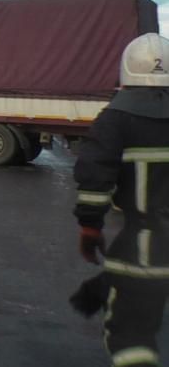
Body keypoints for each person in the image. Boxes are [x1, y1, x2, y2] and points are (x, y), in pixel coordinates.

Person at [74, 32, 169, 367]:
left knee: (131, 337)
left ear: (125, 72)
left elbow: (94, 178)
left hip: (147, 249)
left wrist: (90, 228)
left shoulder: (115, 119)